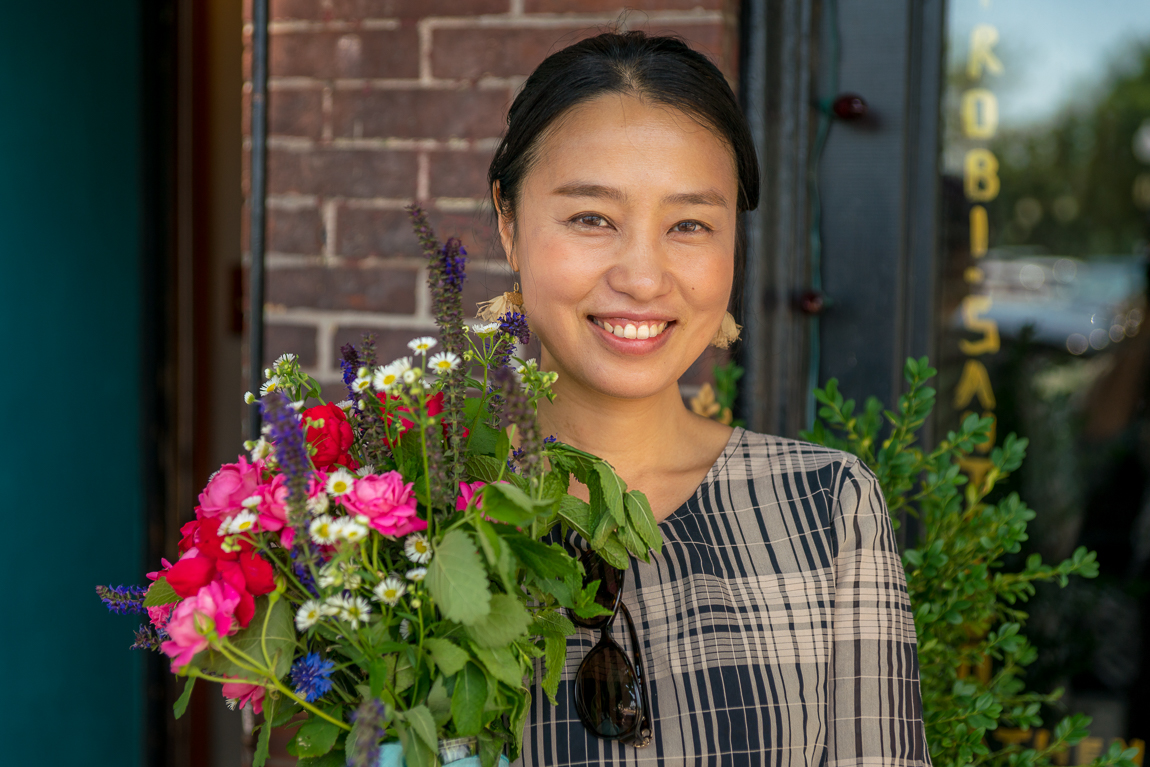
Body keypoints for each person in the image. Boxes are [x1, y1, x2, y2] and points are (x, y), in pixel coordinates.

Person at [486, 31, 930, 767]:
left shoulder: (827, 507)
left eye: (690, 224)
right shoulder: (413, 518)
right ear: (509, 222)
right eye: (592, 218)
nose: (643, 275)